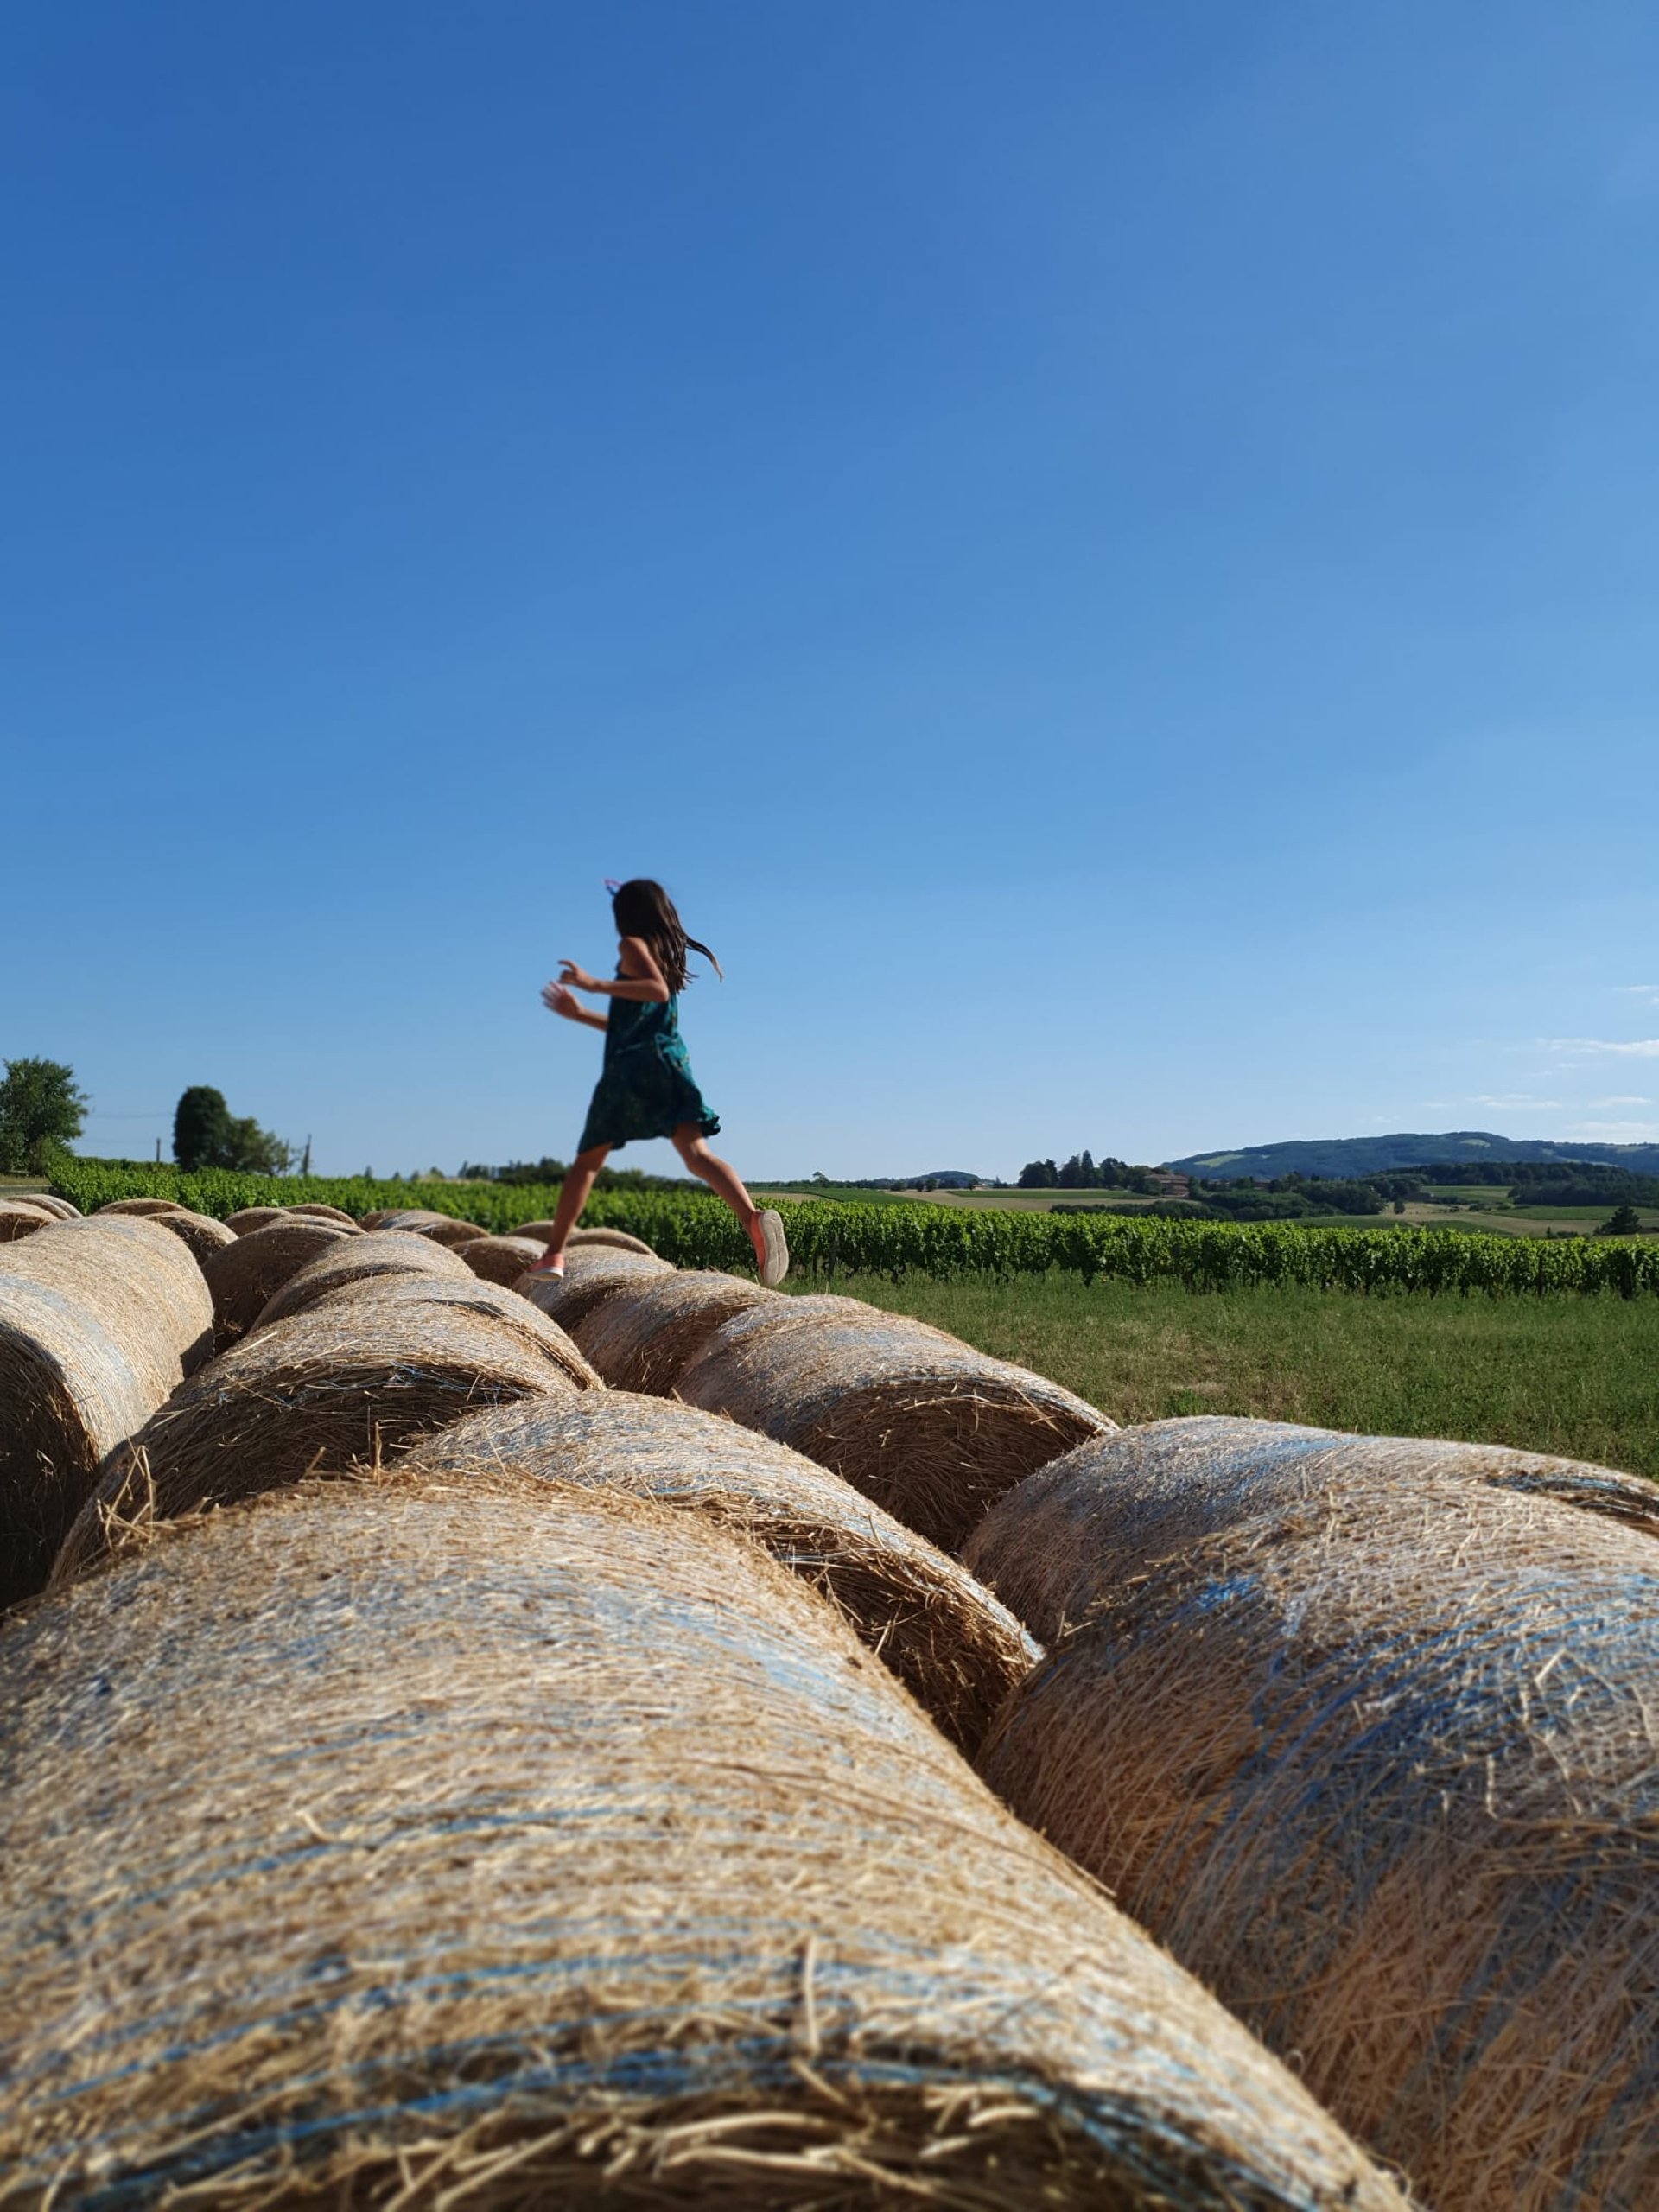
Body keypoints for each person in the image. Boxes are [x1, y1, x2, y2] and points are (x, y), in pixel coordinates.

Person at [533, 878, 789, 1286]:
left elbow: (651, 992)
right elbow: (632, 1026)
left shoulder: (632, 947)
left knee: (586, 1163)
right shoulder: (664, 956)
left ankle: (553, 1254)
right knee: (696, 1156)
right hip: (670, 1061)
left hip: (632, 1073)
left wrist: (592, 984)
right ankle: (752, 1220)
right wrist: (579, 1013)